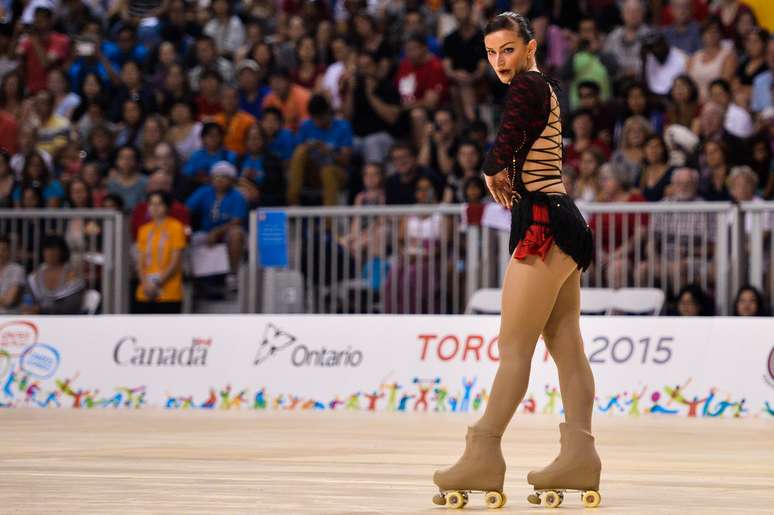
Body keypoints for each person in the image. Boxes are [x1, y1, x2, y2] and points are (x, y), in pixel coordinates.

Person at [432, 12, 600, 509]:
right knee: (566, 344)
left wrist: (489, 170)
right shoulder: (540, 88)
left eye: (507, 48)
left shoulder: (528, 84)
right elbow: (520, 137)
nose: (498, 61)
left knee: (513, 347)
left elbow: (506, 136)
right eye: (490, 52)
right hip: (563, 219)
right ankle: (579, 456)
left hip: (544, 223)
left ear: (529, 48)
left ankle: (483, 451)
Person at [135, 191, 187, 313]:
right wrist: (145, 284)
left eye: (159, 204)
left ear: (167, 207)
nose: (155, 208)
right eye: (151, 204)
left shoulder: (176, 227)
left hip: (169, 291)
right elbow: (140, 262)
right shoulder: (144, 230)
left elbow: (175, 261)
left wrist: (157, 283)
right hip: (145, 291)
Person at [21, 234, 85, 315]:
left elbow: (72, 305)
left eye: (54, 249)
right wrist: (28, 307)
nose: (49, 253)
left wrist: (42, 310)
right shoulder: (34, 277)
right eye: (46, 249)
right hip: (37, 320)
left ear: (62, 251)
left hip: (65, 320)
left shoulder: (73, 275)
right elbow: (27, 298)